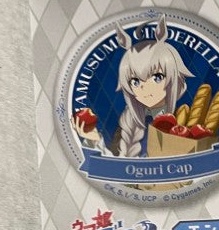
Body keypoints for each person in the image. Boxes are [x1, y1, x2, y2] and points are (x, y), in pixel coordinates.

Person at [72, 16, 192, 157]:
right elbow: (115, 165)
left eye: (157, 77)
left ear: (173, 78)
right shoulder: (127, 125)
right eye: (135, 82)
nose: (144, 88)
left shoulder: (184, 123)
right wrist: (94, 140)